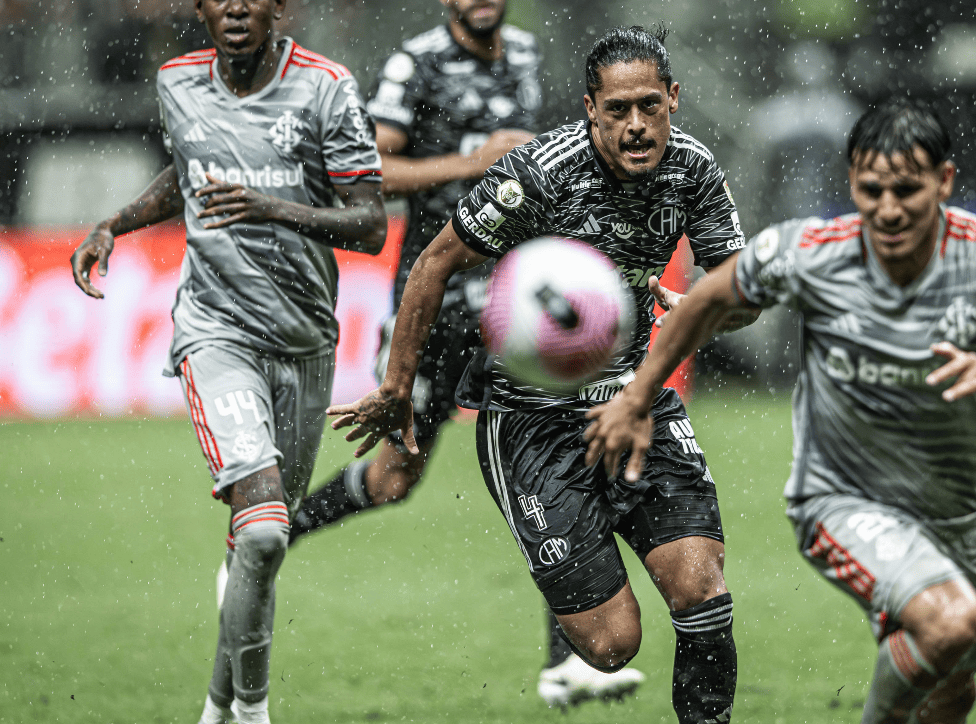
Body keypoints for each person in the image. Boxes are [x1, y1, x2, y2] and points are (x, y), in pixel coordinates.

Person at [583, 99, 976, 723]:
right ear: (851, 183)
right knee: (949, 625)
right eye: (872, 190)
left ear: (944, 181)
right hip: (841, 500)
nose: (888, 209)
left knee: (952, 685)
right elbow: (709, 297)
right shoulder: (814, 251)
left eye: (907, 189)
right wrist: (637, 399)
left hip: (949, 511)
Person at [330, 25, 757, 724]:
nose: (636, 125)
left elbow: (740, 291)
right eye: (617, 110)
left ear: (674, 99)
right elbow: (434, 263)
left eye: (649, 106)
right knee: (612, 646)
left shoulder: (694, 168)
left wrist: (708, 310)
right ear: (590, 109)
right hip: (531, 421)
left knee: (702, 593)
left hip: (636, 402)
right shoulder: (538, 174)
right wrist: (397, 387)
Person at [271, 0, 644, 707]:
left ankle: (567, 661)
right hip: (436, 300)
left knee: (562, 456)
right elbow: (370, 173)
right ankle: (275, 537)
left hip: (518, 299)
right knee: (393, 478)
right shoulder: (415, 63)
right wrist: (469, 165)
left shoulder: (528, 54)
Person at [69, 1, 387, 722]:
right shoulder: (176, 81)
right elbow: (188, 174)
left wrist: (274, 208)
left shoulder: (326, 87)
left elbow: (370, 224)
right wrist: (115, 222)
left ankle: (218, 708)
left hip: (305, 342)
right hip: (216, 332)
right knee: (266, 530)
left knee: (259, 547)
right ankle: (252, 712)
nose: (236, 5)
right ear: (201, 7)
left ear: (280, 6)